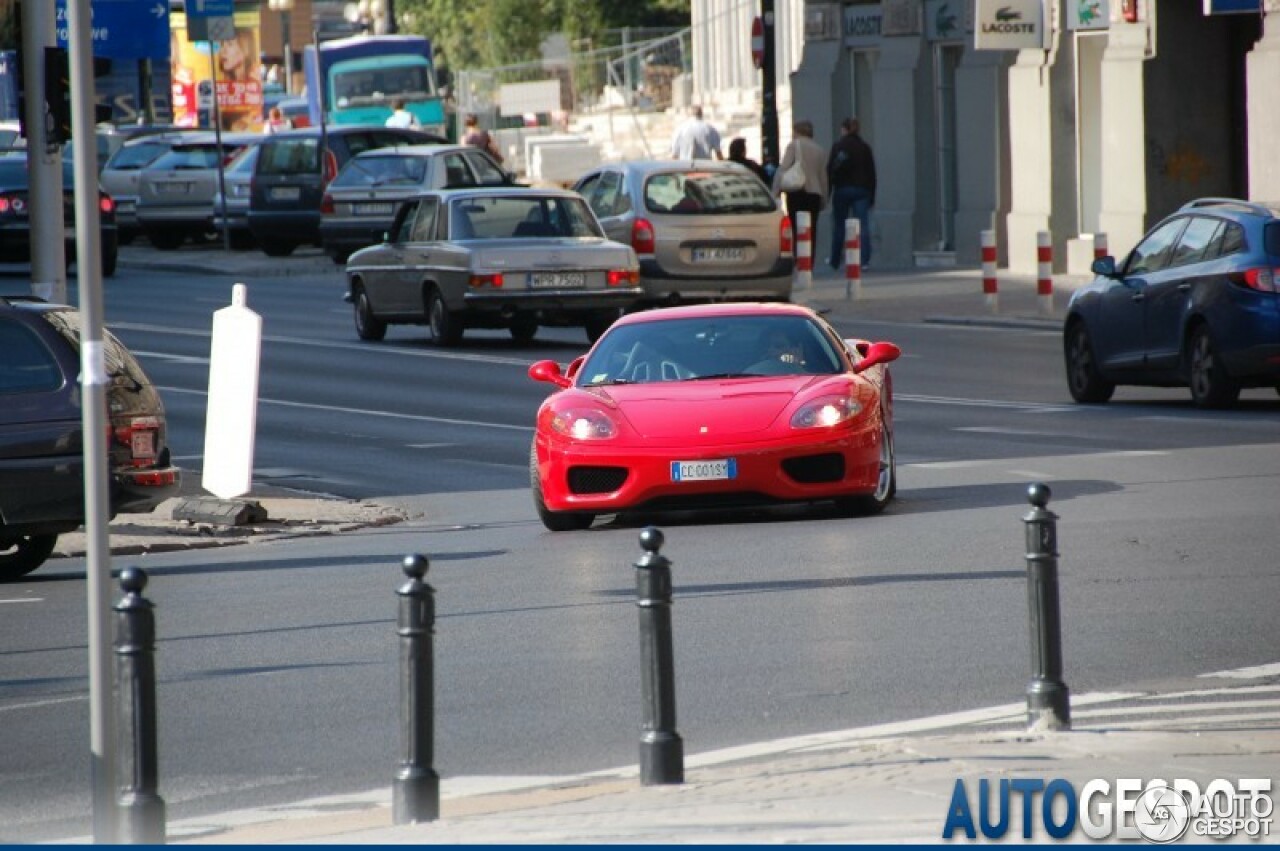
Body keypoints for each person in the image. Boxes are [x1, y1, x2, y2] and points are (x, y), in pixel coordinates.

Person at [827, 117, 877, 270]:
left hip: (842, 189)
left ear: (845, 129)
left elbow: (830, 169)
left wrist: (829, 191)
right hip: (862, 190)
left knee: (839, 225)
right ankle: (864, 260)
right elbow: (872, 173)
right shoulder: (864, 147)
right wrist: (871, 195)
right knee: (863, 225)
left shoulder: (838, 146)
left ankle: (835, 259)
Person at [771, 120, 828, 250]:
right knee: (811, 229)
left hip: (797, 191)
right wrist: (824, 198)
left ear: (797, 131)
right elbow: (823, 177)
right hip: (814, 194)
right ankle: (809, 261)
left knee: (796, 228)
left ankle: (799, 258)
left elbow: (783, 169)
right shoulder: (820, 150)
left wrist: (775, 191)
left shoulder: (794, 145)